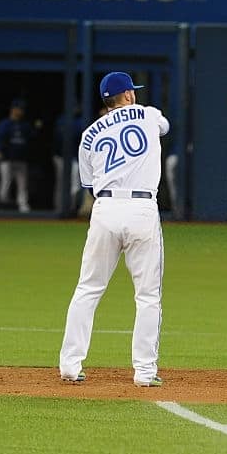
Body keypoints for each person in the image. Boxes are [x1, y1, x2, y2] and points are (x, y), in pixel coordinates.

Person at [58, 72, 168, 388]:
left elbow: (89, 184)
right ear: (129, 95)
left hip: (105, 208)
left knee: (88, 288)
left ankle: (69, 365)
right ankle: (145, 372)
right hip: (142, 208)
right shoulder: (148, 114)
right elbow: (165, 128)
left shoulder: (90, 134)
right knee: (147, 295)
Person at [0, 98, 39, 213]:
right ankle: (2, 204)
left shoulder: (25, 125)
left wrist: (37, 128)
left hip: (21, 159)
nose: (21, 111)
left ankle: (23, 205)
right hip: (7, 159)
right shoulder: (5, 124)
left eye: (22, 109)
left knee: (22, 184)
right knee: (6, 182)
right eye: (19, 109)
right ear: (13, 109)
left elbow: (32, 138)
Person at [52, 101, 85, 214]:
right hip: (60, 157)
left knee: (75, 185)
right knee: (61, 184)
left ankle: (71, 208)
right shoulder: (61, 120)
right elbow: (56, 139)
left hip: (75, 158)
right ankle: (59, 208)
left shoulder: (80, 121)